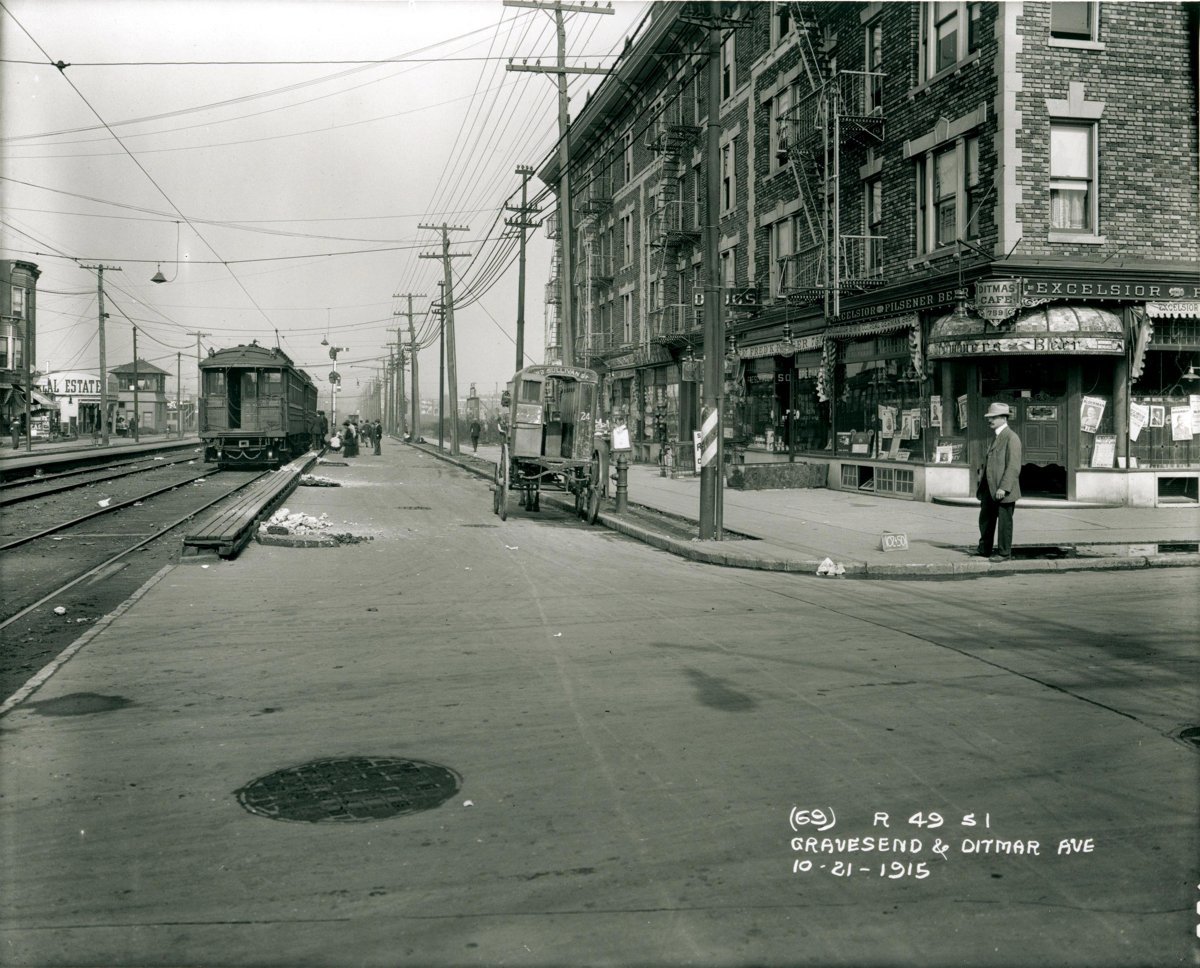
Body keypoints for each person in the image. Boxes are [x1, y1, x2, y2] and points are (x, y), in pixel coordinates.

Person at [975, 401, 1022, 563]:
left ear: (1003, 418)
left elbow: (1014, 466)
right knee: (986, 520)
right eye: (989, 417)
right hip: (990, 488)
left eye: (994, 417)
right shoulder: (996, 436)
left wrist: (1004, 487)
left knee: (1004, 523)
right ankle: (984, 549)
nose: (990, 420)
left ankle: (1004, 553)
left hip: (1003, 490)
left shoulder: (1011, 437)